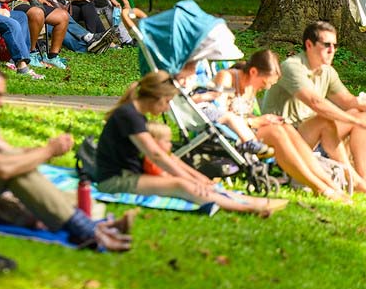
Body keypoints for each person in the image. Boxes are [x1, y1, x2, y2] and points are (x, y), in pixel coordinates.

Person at [0, 64, 134, 252]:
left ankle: (87, 228)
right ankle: (87, 229)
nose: (2, 102)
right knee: (17, 172)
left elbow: (0, 156)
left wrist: (40, 152)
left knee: (19, 172)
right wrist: (48, 151)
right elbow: (1, 167)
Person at [95, 70, 288, 216]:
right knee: (181, 185)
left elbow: (166, 157)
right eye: (167, 101)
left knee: (200, 183)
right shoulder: (129, 116)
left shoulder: (135, 115)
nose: (166, 108)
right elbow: (156, 155)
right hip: (114, 181)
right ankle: (249, 208)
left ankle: (250, 200)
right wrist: (189, 179)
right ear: (158, 97)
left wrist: (197, 176)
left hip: (129, 174)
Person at [261, 21, 366, 196]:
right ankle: (354, 180)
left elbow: (349, 101)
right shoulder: (292, 67)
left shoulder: (326, 71)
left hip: (312, 134)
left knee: (359, 114)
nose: (332, 50)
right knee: (325, 120)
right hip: (287, 135)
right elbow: (316, 103)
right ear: (309, 45)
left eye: (335, 45)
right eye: (327, 45)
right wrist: (360, 124)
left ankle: (363, 177)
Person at [213, 50, 348, 200]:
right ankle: (320, 187)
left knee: (286, 128)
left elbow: (243, 113)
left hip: (247, 130)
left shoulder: (251, 82)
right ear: (253, 71)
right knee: (276, 133)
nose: (267, 88)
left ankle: (329, 183)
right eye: (265, 82)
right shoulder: (226, 78)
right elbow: (219, 115)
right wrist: (254, 121)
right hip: (230, 135)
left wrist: (263, 119)